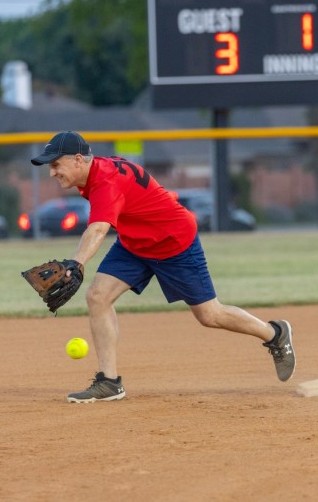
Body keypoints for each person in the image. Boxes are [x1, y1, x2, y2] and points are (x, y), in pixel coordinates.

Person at [30, 131, 295, 403]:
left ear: (77, 160)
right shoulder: (95, 173)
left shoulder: (105, 181)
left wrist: (77, 264)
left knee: (209, 315)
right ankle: (109, 382)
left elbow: (98, 229)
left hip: (174, 242)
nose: (52, 173)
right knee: (97, 296)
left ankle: (275, 334)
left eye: (55, 165)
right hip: (135, 244)